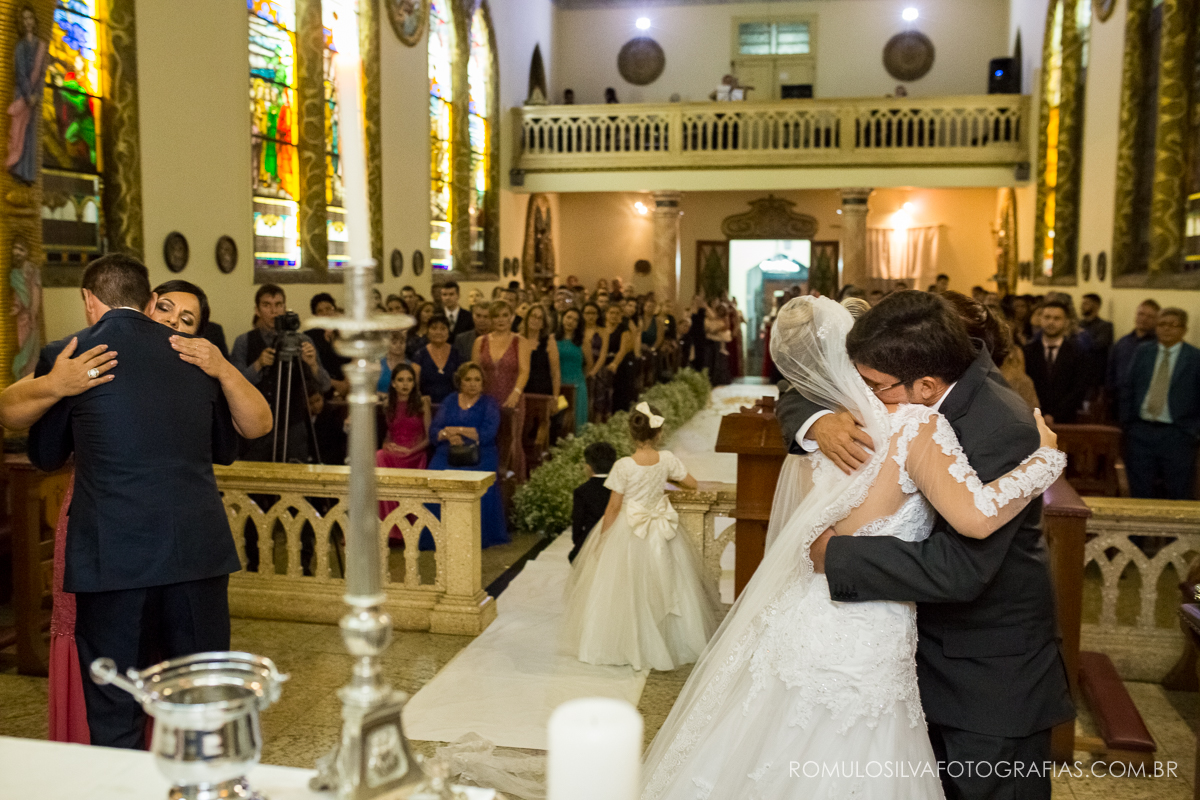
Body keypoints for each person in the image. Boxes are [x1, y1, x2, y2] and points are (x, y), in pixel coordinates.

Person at [760, 292, 1072, 800]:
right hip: (907, 655)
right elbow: (802, 382)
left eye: (872, 387)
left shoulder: (1001, 427)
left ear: (924, 386)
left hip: (989, 679)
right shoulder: (914, 370)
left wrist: (833, 554)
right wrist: (817, 420)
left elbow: (962, 569)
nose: (859, 395)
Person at [22, 256, 267, 749]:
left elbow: (47, 454)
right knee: (201, 700)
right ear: (151, 300)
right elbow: (229, 447)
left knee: (117, 706)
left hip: (113, 556)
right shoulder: (199, 357)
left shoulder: (69, 353)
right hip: (195, 552)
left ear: (89, 300)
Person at [562, 403, 719, 671]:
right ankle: (669, 642)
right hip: (659, 527)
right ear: (658, 433)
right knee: (666, 584)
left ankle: (625, 644)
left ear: (630, 434)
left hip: (628, 527)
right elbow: (692, 483)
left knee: (625, 587)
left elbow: (613, 507)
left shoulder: (623, 465)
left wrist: (602, 538)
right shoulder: (667, 459)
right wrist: (669, 483)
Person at [231, 284, 332, 462]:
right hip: (255, 426)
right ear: (257, 309)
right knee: (255, 481)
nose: (273, 311)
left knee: (293, 482)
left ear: (285, 307)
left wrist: (313, 364)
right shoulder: (244, 341)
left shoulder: (301, 340)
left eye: (278, 305)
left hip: (292, 426)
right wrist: (258, 365)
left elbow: (325, 384)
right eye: (267, 305)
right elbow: (233, 386)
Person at [1120, 308, 1200, 500]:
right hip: (1141, 431)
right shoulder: (1143, 352)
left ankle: (1175, 531)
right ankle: (1140, 531)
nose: (1166, 329)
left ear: (1184, 329)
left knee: (1178, 490)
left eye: (1173, 325)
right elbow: (1128, 387)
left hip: (1177, 434)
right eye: (1162, 324)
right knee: (1140, 489)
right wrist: (1127, 423)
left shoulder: (1194, 358)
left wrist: (1193, 430)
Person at [429, 363, 509, 547]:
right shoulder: (450, 401)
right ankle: (439, 535)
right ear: (460, 381)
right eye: (468, 379)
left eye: (477, 380)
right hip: (449, 450)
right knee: (436, 474)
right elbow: (435, 431)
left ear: (482, 383)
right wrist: (447, 435)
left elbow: (487, 434)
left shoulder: (489, 403)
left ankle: (471, 536)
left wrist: (456, 430)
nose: (473, 384)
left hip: (481, 453)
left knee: (477, 480)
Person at [473, 301, 530, 480]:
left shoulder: (520, 341)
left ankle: (514, 491)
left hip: (511, 398)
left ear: (512, 317)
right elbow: (474, 371)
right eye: (496, 316)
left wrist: (516, 392)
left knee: (511, 442)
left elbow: (524, 370)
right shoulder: (480, 342)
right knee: (487, 442)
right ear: (491, 319)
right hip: (486, 399)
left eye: (505, 315)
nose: (501, 320)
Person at [376, 363, 431, 544]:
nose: (405, 384)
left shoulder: (422, 403)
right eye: (401, 380)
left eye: (409, 380)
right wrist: (388, 445)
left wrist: (410, 450)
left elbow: (428, 438)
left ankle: (402, 527)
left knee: (381, 458)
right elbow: (388, 435)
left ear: (414, 383)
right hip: (394, 453)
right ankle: (389, 527)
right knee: (379, 456)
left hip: (415, 454)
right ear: (393, 384)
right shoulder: (388, 405)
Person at [1023, 299, 1087, 424]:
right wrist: (1040, 413)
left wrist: (1054, 415)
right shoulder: (1028, 352)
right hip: (1032, 418)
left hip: (1065, 420)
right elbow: (1025, 386)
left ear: (1066, 322)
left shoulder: (1077, 353)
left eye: (1057, 318)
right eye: (1047, 317)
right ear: (1041, 319)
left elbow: (1078, 389)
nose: (1051, 322)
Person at [1107, 299, 1159, 421]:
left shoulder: (1157, 345)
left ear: (1156, 320)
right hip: (1119, 401)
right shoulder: (1123, 342)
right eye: (1141, 314)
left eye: (1150, 316)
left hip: (1145, 403)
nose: (1144, 319)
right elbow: (1111, 369)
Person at [569, 442, 615, 563]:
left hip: (589, 540)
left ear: (589, 466)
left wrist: (579, 542)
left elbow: (577, 523)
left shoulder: (582, 491)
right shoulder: (617, 488)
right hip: (615, 540)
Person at [556, 307, 591, 432]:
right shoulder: (553, 339)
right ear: (562, 319)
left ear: (578, 324)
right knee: (560, 422)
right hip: (558, 384)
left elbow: (589, 365)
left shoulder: (582, 342)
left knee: (576, 422)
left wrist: (580, 379)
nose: (570, 321)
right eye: (568, 317)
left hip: (577, 385)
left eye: (575, 320)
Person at [413, 315, 460, 405]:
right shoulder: (419, 355)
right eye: (434, 328)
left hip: (452, 406)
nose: (438, 332)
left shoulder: (456, 354)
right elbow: (415, 387)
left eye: (443, 328)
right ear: (427, 331)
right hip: (426, 407)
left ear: (448, 332)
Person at [603, 304, 639, 413]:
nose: (614, 316)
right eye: (611, 313)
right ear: (606, 314)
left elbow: (623, 349)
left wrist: (614, 363)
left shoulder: (623, 329)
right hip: (603, 362)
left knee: (620, 393)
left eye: (617, 313)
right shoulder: (601, 328)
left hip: (619, 364)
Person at [521, 304, 560, 401]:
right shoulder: (517, 340)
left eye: (540, 318)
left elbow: (555, 373)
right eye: (533, 316)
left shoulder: (549, 342)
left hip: (542, 392)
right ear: (527, 318)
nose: (535, 320)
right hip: (521, 392)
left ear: (543, 324)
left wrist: (555, 397)